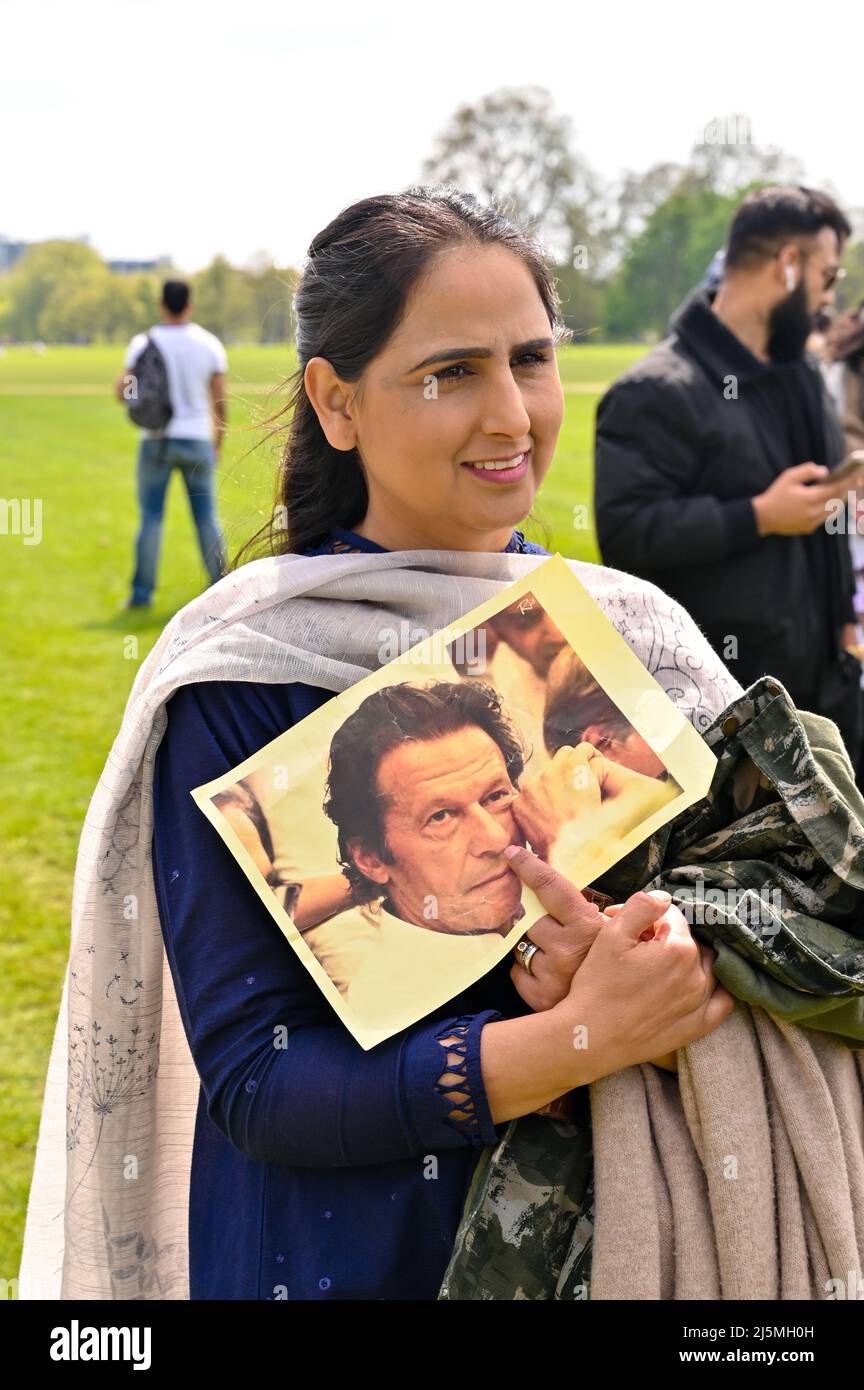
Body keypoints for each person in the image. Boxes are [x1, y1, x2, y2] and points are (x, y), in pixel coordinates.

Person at [23, 188, 736, 1303]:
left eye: (531, 360)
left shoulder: (632, 635)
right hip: (335, 1257)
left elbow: (795, 918)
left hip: (616, 1249)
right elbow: (261, 1079)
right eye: (451, 372)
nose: (511, 415)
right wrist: (578, 1037)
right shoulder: (248, 672)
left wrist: (671, 945)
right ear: (337, 400)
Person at [594, 185, 864, 772]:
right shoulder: (657, 391)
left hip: (830, 690)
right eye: (827, 273)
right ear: (787, 266)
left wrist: (845, 624)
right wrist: (758, 516)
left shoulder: (803, 374)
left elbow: (822, 511)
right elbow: (627, 535)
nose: (830, 294)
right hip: (730, 719)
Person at [116, 279, 228, 608]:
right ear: (190, 305)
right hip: (196, 440)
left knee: (151, 518)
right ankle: (221, 590)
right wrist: (217, 443)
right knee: (206, 517)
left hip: (155, 441)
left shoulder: (142, 344)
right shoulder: (209, 344)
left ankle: (141, 595)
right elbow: (220, 403)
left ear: (161, 305)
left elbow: (124, 392)